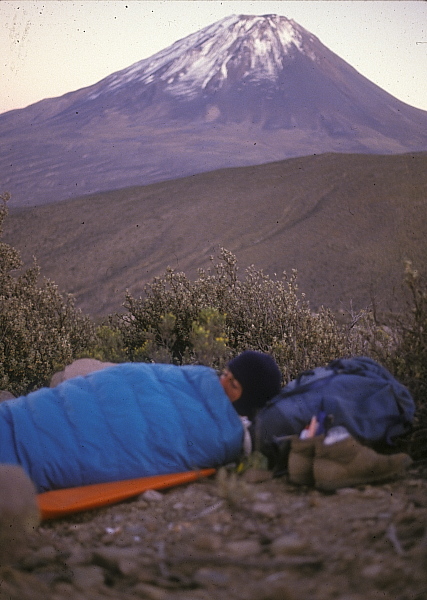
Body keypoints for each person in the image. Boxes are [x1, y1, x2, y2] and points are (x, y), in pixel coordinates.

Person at [0, 351, 282, 493]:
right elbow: (133, 378)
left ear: (247, 400)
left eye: (233, 384)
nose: (222, 381)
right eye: (225, 373)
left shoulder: (222, 436)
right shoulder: (196, 377)